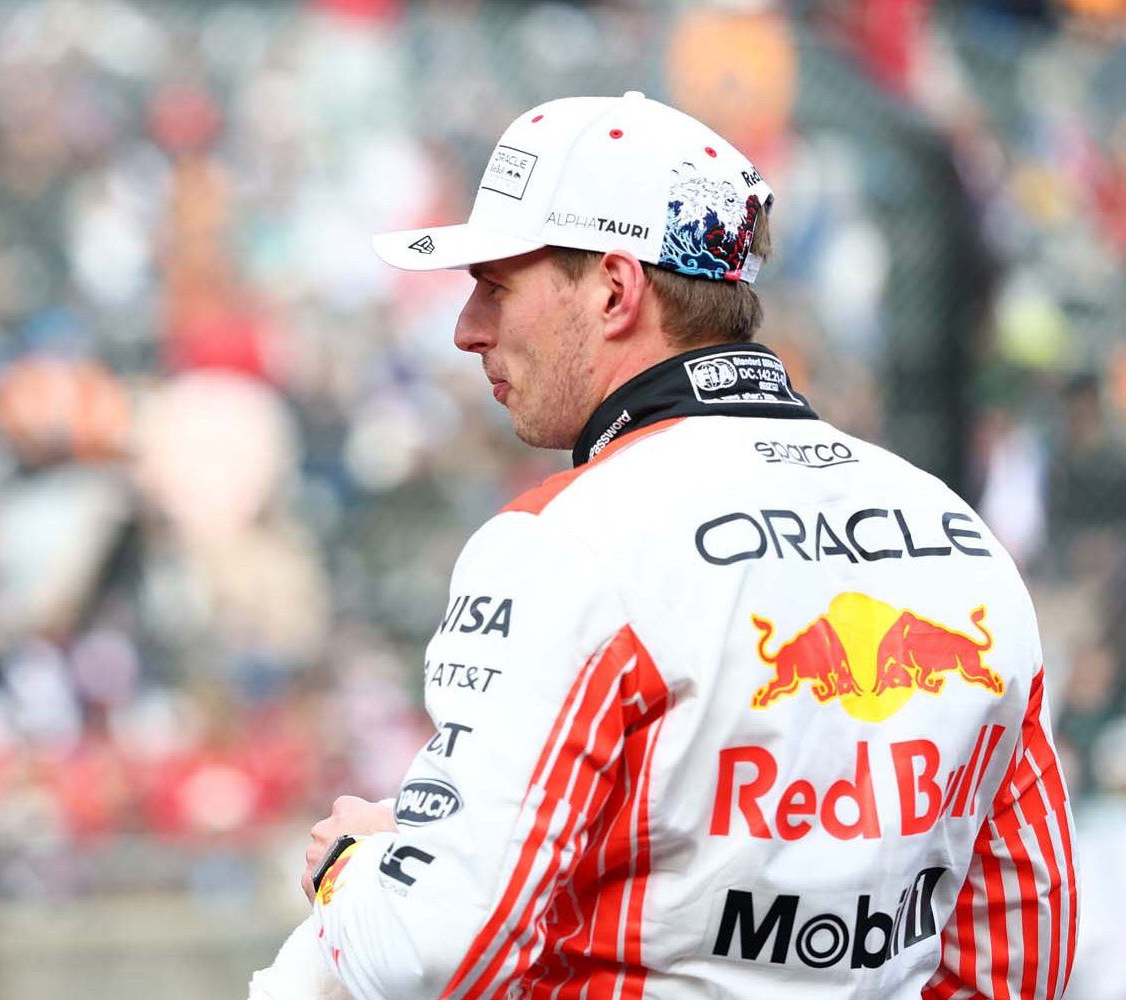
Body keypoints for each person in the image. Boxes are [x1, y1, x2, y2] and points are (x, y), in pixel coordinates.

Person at [251, 92, 1077, 1000]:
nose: (466, 329)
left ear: (614, 287)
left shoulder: (566, 543)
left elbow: (425, 950)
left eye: (497, 284)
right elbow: (1022, 947)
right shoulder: (960, 537)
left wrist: (360, 865)